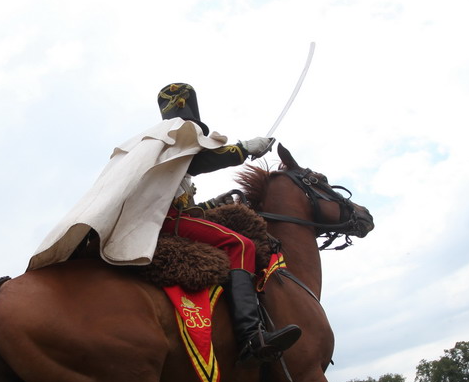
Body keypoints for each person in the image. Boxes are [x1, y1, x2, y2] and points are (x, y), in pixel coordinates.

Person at [29, 83, 300, 364]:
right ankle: (250, 337)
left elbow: (178, 202)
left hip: (163, 218)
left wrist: (214, 204)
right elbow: (198, 164)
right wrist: (244, 149)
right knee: (240, 245)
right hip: (162, 224)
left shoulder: (156, 149)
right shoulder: (171, 138)